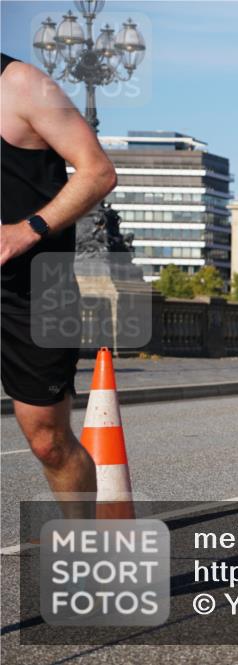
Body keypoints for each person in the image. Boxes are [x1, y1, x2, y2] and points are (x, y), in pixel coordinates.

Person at [1, 53, 117, 518]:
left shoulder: (25, 86)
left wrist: (25, 230)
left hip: (33, 289)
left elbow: (98, 171)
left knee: (48, 441)